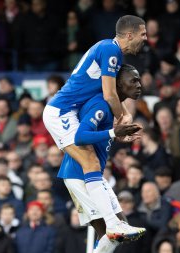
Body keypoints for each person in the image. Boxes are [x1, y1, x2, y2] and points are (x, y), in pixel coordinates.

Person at [43, 16, 146, 231]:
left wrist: (123, 115)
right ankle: (113, 223)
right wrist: (121, 120)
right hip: (61, 112)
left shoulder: (108, 49)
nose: (145, 38)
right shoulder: (112, 51)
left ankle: (113, 224)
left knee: (93, 164)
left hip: (68, 111)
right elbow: (109, 94)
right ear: (130, 35)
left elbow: (109, 92)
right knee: (91, 163)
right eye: (142, 34)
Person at [58, 64, 146, 253]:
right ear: (118, 85)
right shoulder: (100, 105)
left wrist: (117, 135)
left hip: (93, 175)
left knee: (119, 229)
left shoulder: (112, 108)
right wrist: (114, 132)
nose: (139, 84)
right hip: (79, 173)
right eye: (133, 80)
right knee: (108, 232)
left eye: (139, 80)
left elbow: (100, 136)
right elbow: (80, 137)